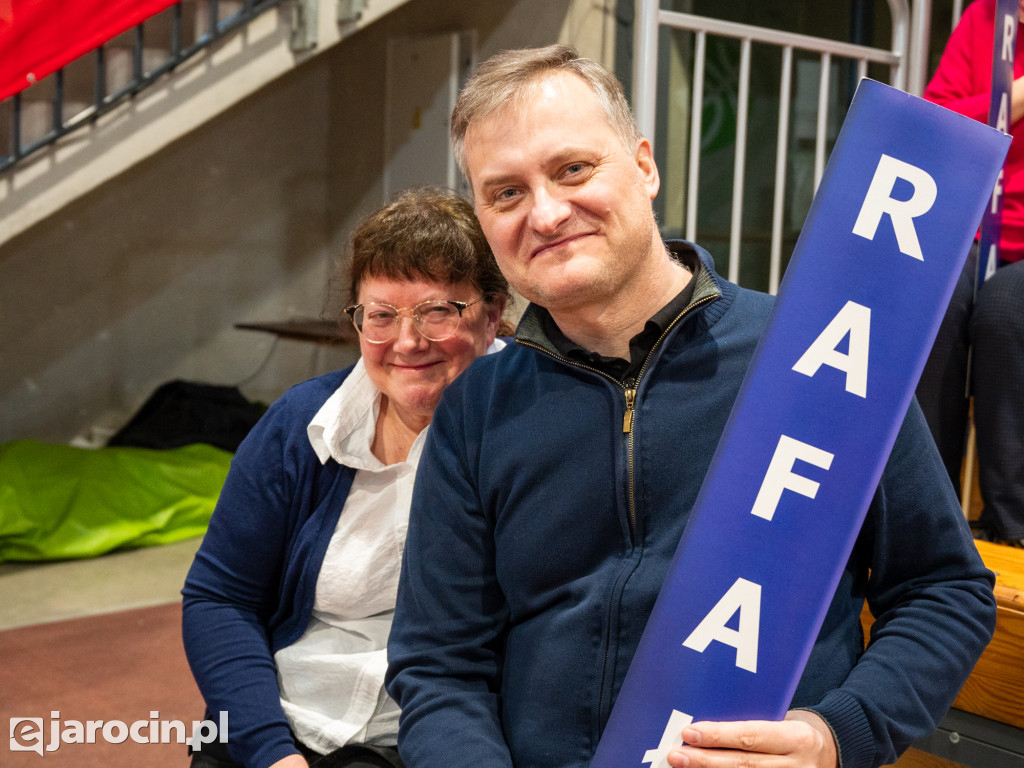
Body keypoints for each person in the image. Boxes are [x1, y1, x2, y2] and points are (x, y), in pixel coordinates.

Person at [384, 45, 997, 768]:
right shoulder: (478, 409)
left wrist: (837, 737)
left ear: (644, 166)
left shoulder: (820, 358)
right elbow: (438, 665)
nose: (546, 212)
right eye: (506, 193)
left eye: (573, 169)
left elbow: (943, 590)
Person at [181, 187, 510, 768]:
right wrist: (271, 753)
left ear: (493, 312)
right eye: (382, 316)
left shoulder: (532, 427)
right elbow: (220, 598)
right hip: (279, 722)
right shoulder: (301, 424)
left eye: (437, 311)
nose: (407, 342)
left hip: (426, 739)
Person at [915, 0, 1024, 547]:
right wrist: (1015, 96)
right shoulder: (986, 17)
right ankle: (924, 513)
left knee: (1004, 309)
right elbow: (939, 122)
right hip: (979, 228)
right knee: (933, 298)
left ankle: (1011, 527)